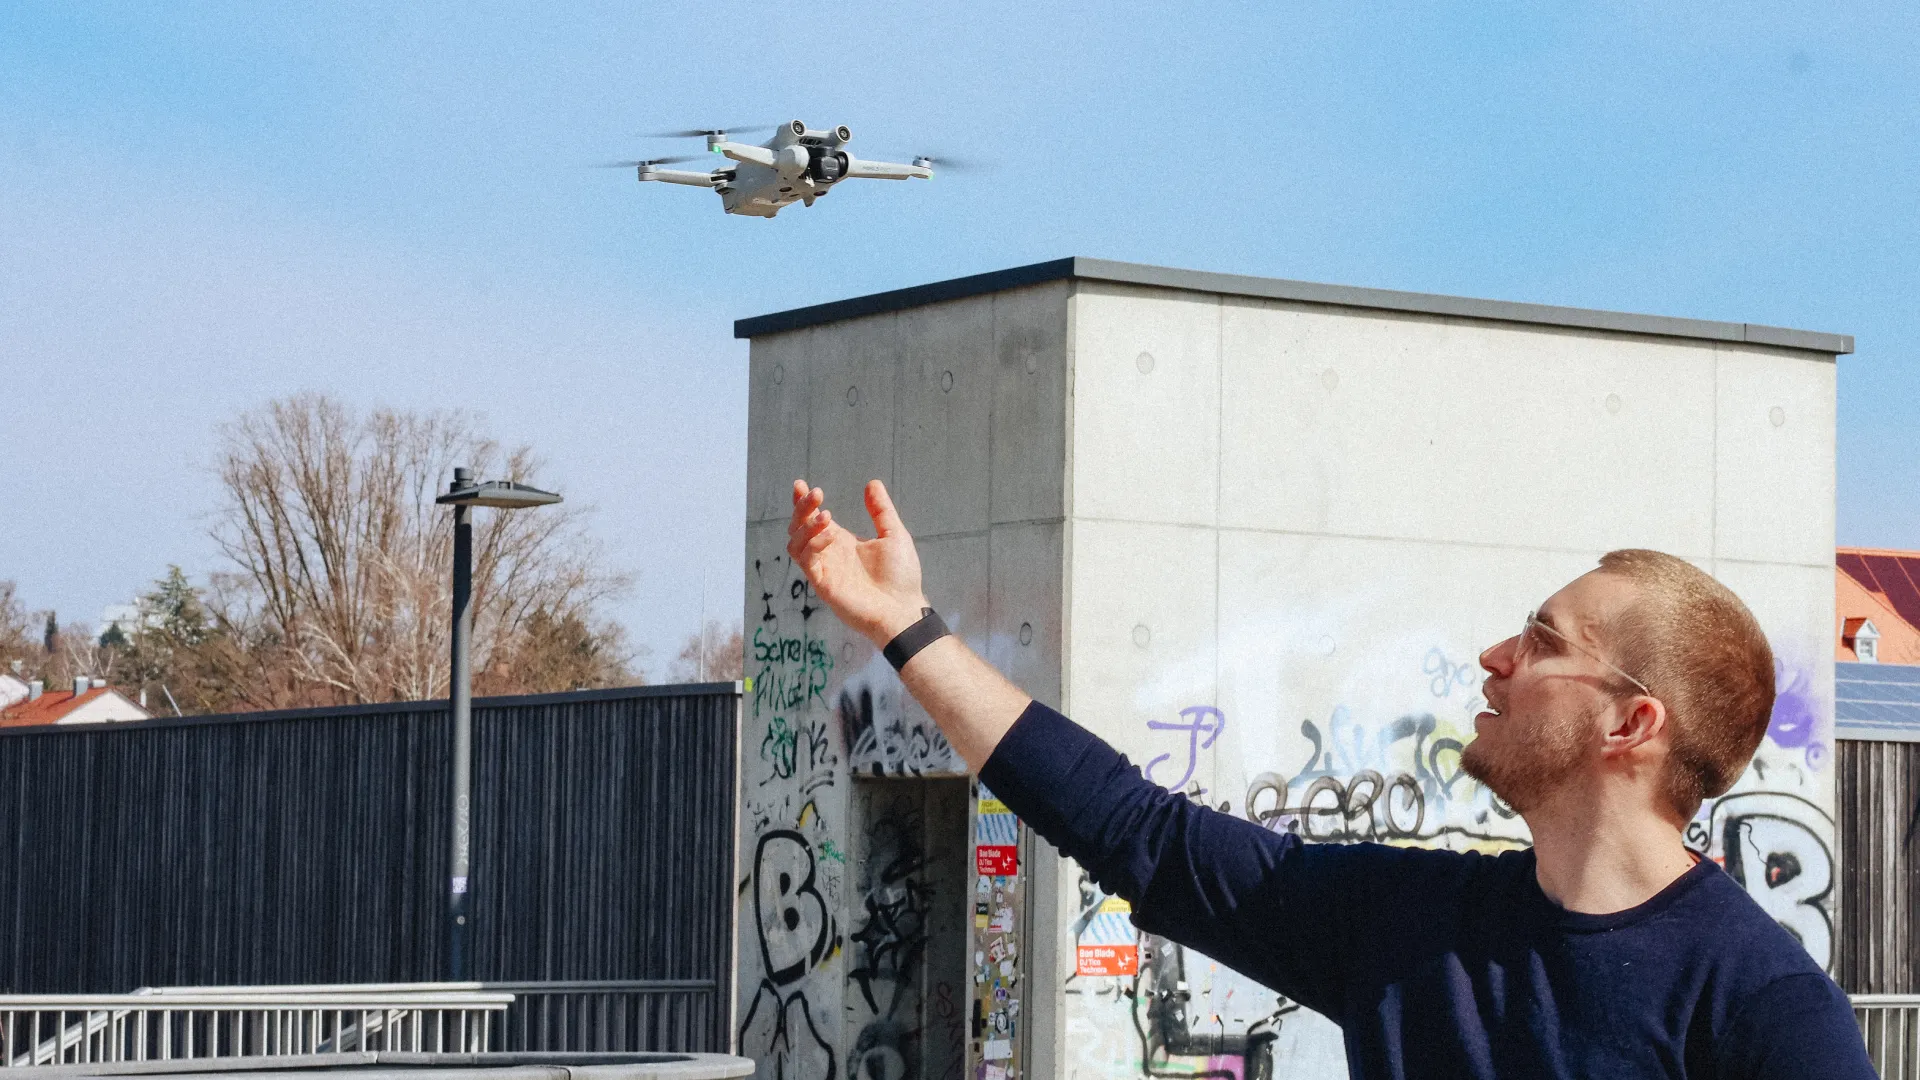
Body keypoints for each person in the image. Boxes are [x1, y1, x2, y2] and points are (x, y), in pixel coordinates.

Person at [784, 477, 1875, 1079]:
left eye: (1543, 641)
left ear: (1632, 722)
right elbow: (1133, 828)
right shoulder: (1406, 928)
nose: (1496, 657)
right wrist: (906, 629)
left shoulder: (1763, 1011)